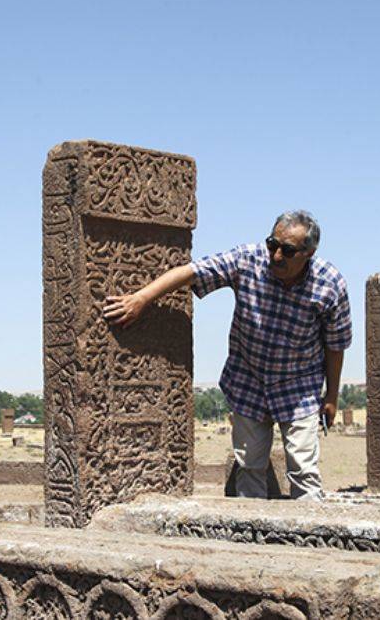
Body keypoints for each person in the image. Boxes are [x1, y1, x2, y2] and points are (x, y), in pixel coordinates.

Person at [103, 210, 352, 499]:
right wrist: (142, 298)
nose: (276, 256)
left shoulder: (330, 285)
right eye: (272, 244)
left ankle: (308, 536)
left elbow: (336, 344)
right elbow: (192, 272)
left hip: (298, 384)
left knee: (303, 469)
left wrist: (332, 396)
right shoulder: (248, 259)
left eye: (288, 250)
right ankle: (252, 538)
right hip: (249, 378)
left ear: (309, 253)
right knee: (249, 467)